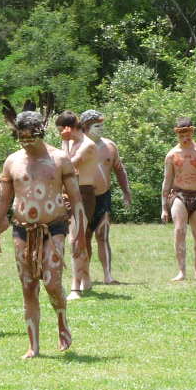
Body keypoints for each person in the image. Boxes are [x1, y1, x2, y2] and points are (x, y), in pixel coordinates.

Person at [0, 110, 86, 359]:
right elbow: (1, 200)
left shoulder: (60, 159)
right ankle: (33, 346)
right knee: (29, 286)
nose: (26, 143)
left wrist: (81, 234)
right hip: (22, 230)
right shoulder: (12, 161)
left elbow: (76, 200)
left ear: (40, 134)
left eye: (30, 138)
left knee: (52, 283)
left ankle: (61, 319)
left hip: (54, 227)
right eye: (21, 138)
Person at [78, 109, 132, 284]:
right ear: (85, 126)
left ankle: (108, 275)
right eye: (96, 125)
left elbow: (119, 169)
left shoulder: (110, 146)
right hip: (83, 197)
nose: (100, 129)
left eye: (102, 125)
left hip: (103, 196)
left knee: (103, 235)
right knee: (84, 236)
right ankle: (84, 275)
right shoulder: (77, 146)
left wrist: (126, 191)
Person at [161, 117, 196, 281]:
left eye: (188, 134)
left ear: (192, 132)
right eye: (181, 135)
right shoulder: (172, 155)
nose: (185, 138)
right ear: (177, 134)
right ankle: (181, 271)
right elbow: (167, 180)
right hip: (179, 195)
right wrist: (163, 207)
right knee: (179, 231)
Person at [55, 110, 97, 300]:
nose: (60, 136)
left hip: (84, 194)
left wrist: (64, 142)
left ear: (67, 129)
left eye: (60, 131)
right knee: (77, 238)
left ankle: (75, 288)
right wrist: (66, 142)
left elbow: (68, 166)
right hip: (67, 194)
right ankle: (85, 279)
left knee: (76, 239)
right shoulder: (71, 142)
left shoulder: (87, 144)